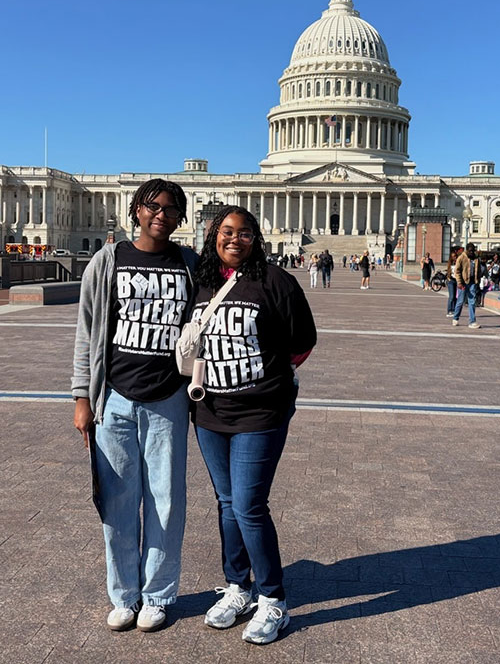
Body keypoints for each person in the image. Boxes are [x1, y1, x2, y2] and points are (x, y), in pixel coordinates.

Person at [71, 178, 197, 633]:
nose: (162, 214)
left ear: (181, 217)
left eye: (171, 208)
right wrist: (82, 396)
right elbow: (88, 334)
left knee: (166, 502)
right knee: (117, 502)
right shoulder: (107, 262)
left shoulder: (189, 264)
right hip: (116, 399)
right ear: (137, 211)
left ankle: (158, 594)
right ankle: (124, 594)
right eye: (154, 206)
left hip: (168, 399)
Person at [191, 206, 317, 645]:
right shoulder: (204, 281)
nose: (235, 240)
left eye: (244, 233)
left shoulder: (276, 281)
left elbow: (303, 341)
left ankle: (273, 599)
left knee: (247, 504)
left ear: (256, 238)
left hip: (260, 413)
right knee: (226, 502)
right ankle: (237, 586)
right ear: (214, 236)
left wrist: (269, 378)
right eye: (227, 232)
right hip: (210, 412)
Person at [451, 243, 481, 328]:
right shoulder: (461, 258)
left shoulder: (476, 259)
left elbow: (478, 270)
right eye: (470, 251)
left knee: (472, 301)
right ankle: (455, 318)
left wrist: (477, 280)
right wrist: (459, 282)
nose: (472, 252)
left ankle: (472, 321)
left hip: (472, 282)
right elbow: (457, 271)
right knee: (460, 301)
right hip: (463, 282)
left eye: (473, 250)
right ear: (466, 250)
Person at [444, 246, 461, 317]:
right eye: (454, 256)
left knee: (455, 296)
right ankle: (449, 310)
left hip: (456, 280)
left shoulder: (458, 263)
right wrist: (448, 278)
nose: (455, 257)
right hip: (450, 281)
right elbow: (448, 272)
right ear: (451, 257)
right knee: (451, 296)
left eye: (456, 256)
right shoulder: (450, 264)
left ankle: (454, 310)